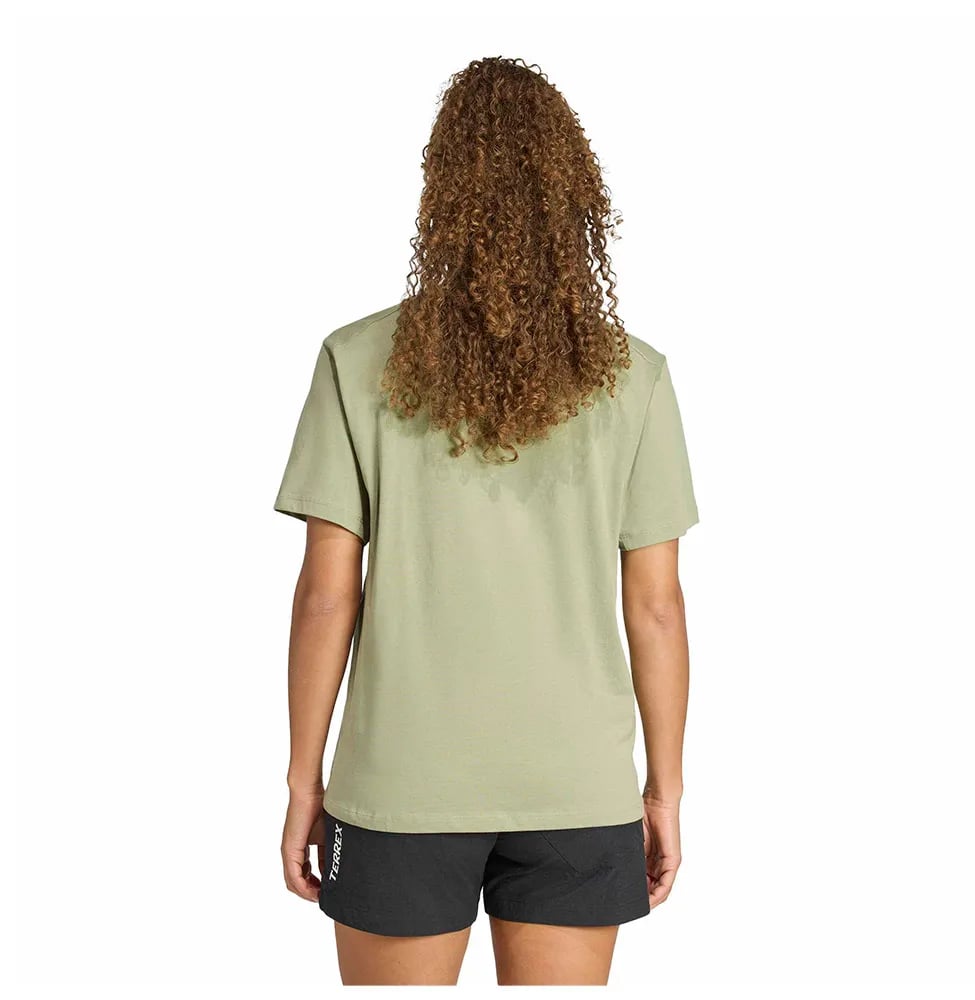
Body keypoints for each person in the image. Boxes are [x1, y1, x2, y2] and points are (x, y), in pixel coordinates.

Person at [273, 56, 699, 987]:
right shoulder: (634, 376)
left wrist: (304, 779)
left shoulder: (357, 359)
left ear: (441, 191)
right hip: (577, 788)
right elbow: (657, 607)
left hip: (400, 786)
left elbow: (325, 597)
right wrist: (663, 789)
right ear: (573, 194)